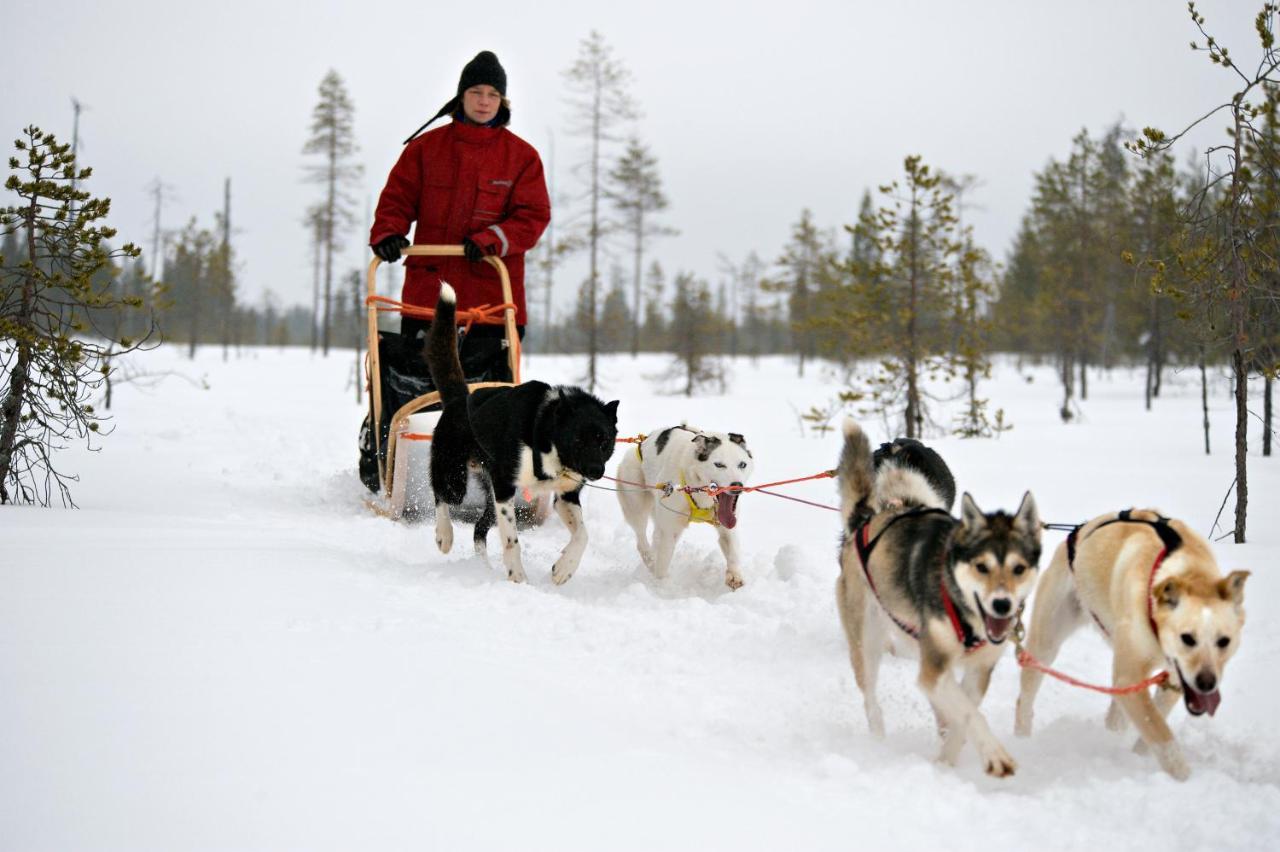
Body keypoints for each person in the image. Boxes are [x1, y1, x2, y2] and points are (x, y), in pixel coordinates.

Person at [360, 50, 551, 493]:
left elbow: (533, 216)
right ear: (460, 96)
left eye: (492, 94)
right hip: (428, 298)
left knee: (493, 396)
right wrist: (388, 233)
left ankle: (495, 477)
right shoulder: (425, 150)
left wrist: (492, 239)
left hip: (491, 301)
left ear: (503, 102)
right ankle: (395, 464)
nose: (483, 101)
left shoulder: (521, 157)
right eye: (475, 92)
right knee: (416, 387)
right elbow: (397, 199)